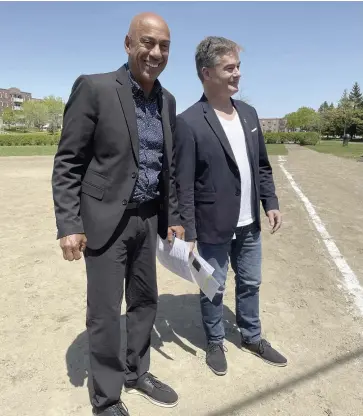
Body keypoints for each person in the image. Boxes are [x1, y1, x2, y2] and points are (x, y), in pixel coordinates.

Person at [52, 12, 184, 416]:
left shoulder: (167, 100)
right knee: (106, 311)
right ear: (128, 44)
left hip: (147, 218)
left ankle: (136, 372)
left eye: (163, 46)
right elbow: (68, 161)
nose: (155, 52)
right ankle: (106, 398)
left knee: (145, 301)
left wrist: (172, 215)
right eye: (147, 42)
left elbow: (168, 166)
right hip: (104, 220)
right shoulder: (94, 88)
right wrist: (70, 224)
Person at [174, 36, 287, 377]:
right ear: (206, 73)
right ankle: (214, 341)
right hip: (212, 225)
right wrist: (189, 231)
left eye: (238, 66)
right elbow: (184, 182)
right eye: (230, 68)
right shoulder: (189, 121)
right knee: (213, 286)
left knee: (251, 282)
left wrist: (270, 201)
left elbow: (262, 166)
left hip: (250, 222)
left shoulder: (250, 114)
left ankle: (252, 337)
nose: (238, 74)